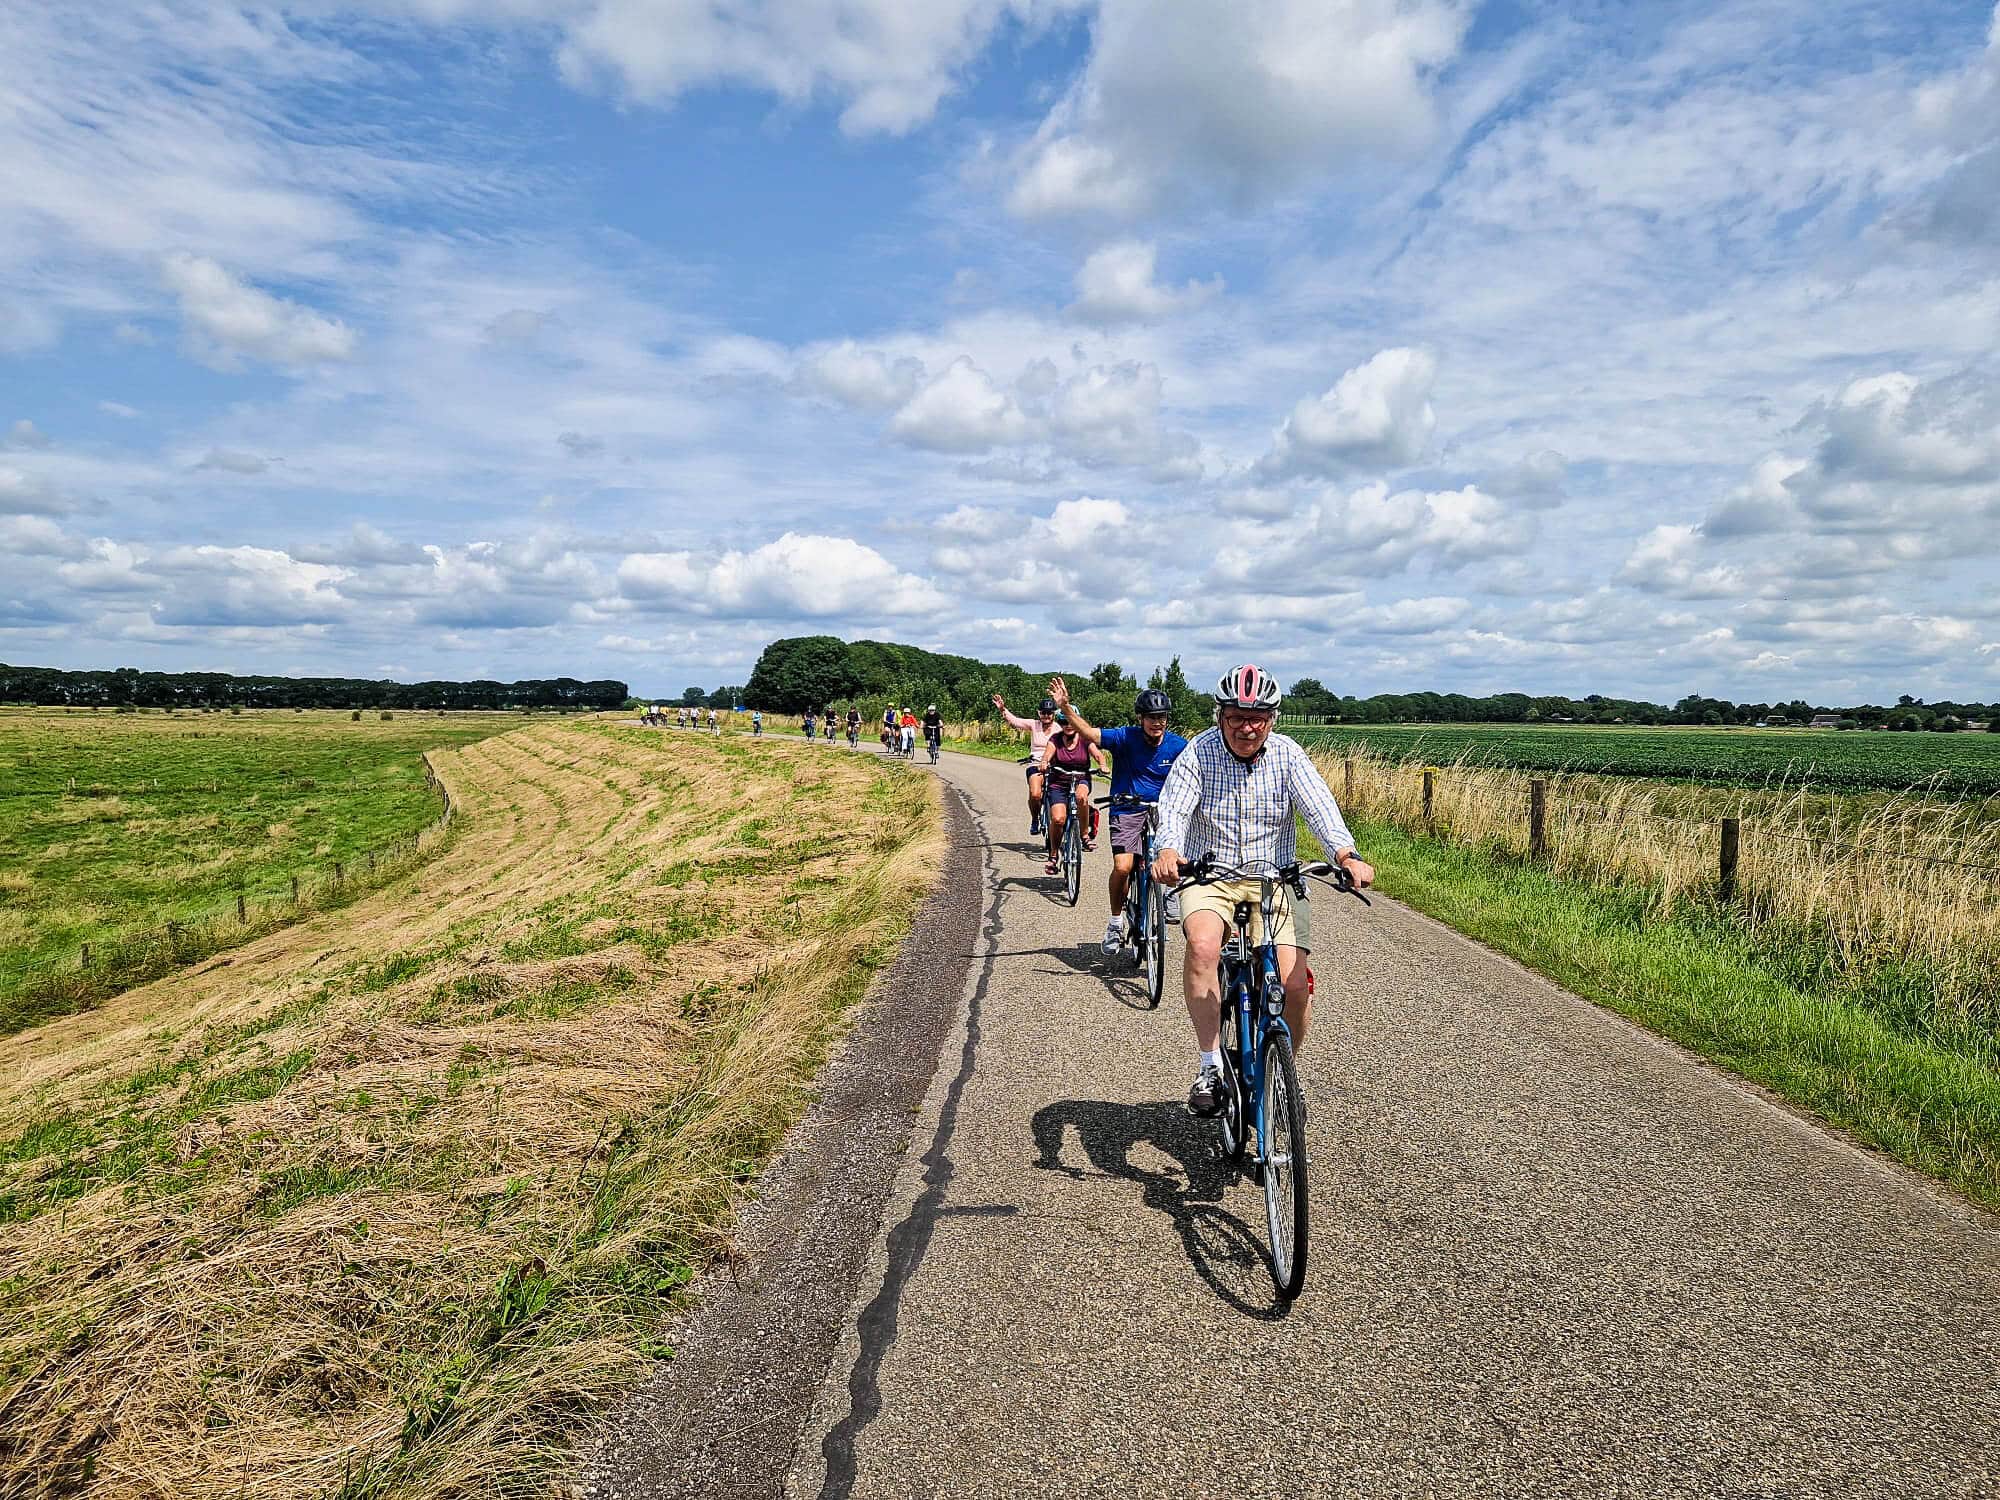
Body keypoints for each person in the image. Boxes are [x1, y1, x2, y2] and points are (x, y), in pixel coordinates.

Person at [1152, 665, 1374, 1118]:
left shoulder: (1288, 755)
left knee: (1295, 984)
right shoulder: (1198, 754)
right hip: (1208, 875)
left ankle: (1281, 1070)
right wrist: (1168, 850)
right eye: (1235, 717)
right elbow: (1173, 809)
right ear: (1220, 716)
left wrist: (1346, 856)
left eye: (1257, 718)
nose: (1246, 727)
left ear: (1272, 719)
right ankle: (1210, 1065)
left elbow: (1319, 809)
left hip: (1275, 879)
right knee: (1202, 946)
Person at [1047, 677, 1189, 955]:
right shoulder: (1125, 737)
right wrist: (1065, 707)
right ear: (1141, 718)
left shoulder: (1178, 745)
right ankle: (1115, 923)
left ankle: (1165, 901)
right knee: (1124, 867)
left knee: (1171, 862)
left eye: (1162, 717)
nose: (1157, 723)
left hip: (1162, 812)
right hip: (1127, 809)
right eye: (1151, 717)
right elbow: (1088, 733)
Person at [992, 692, 1065, 839]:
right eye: (1043, 713)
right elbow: (1015, 721)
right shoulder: (1034, 725)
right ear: (1039, 713)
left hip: (1054, 765)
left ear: (1053, 714)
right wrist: (1002, 709)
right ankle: (1035, 818)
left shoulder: (1059, 728)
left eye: (1049, 713)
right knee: (1035, 794)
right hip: (1036, 764)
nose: (1046, 716)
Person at [1039, 715, 1095, 875]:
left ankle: (1084, 835)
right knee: (1058, 819)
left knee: (1081, 798)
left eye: (1070, 722)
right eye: (1063, 722)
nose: (1068, 725)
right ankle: (1053, 856)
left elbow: (1096, 753)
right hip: (1059, 783)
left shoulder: (1084, 738)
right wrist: (1044, 762)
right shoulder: (1055, 739)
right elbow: (1048, 753)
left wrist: (1103, 764)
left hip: (1080, 779)